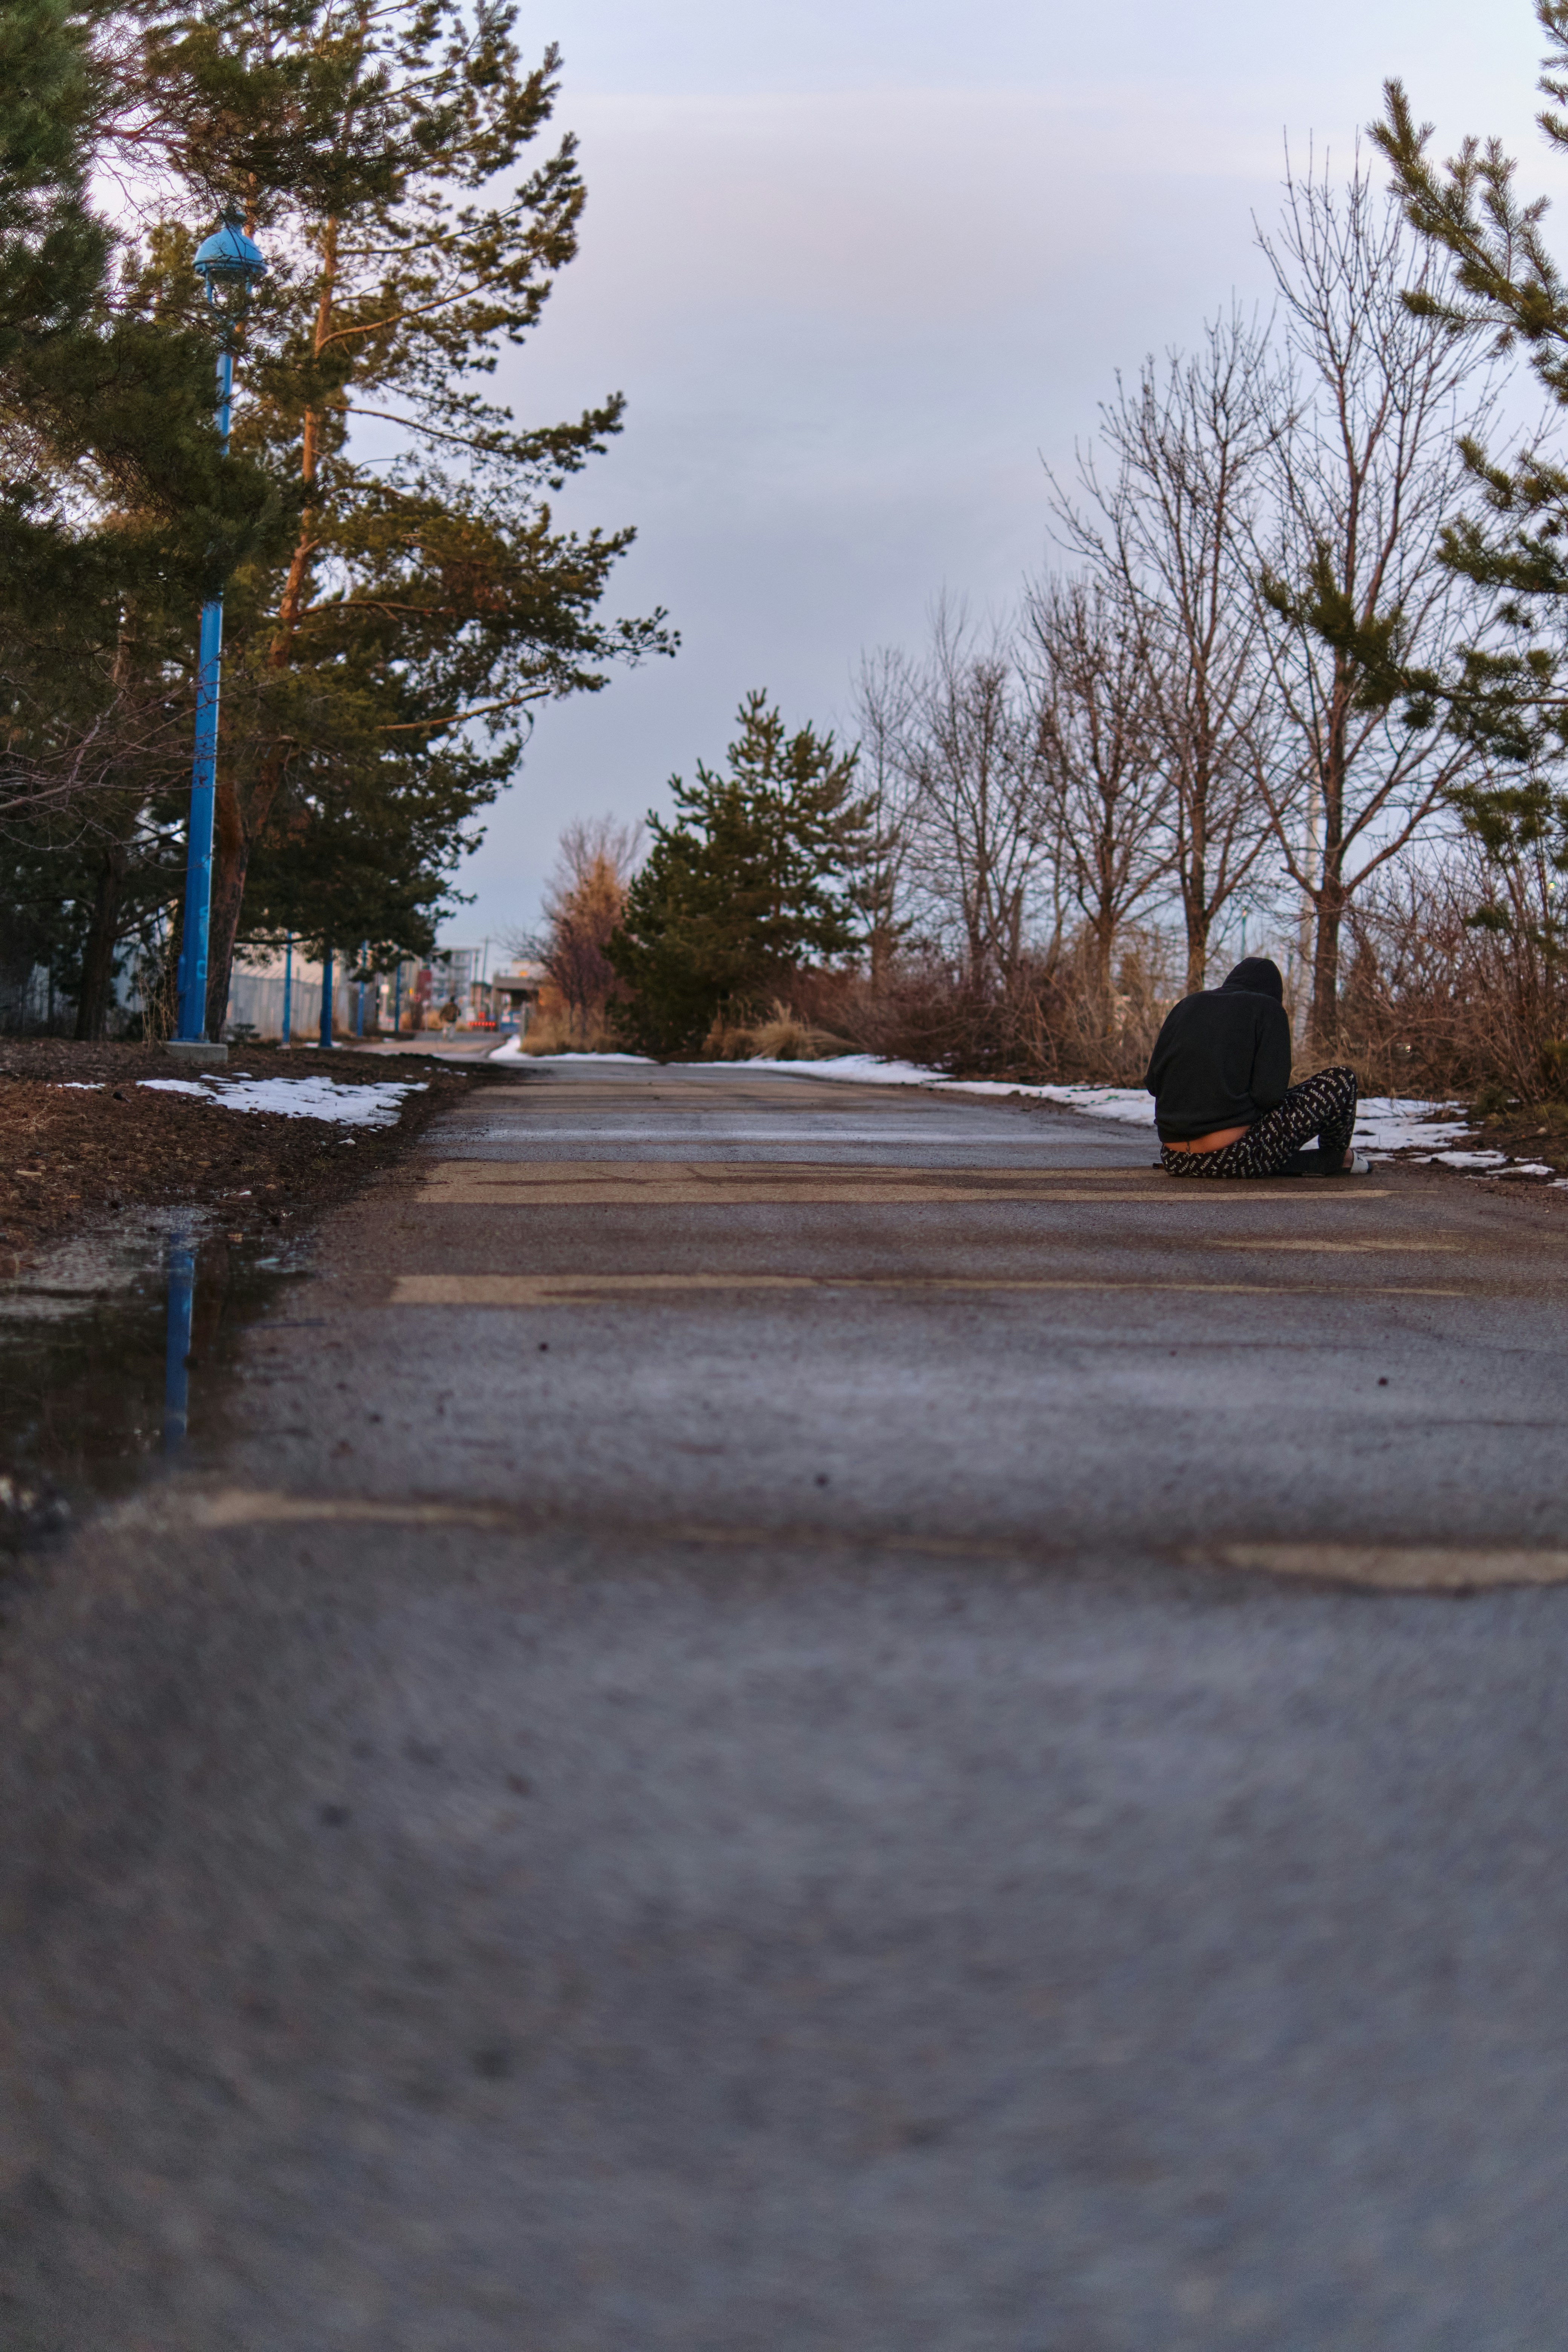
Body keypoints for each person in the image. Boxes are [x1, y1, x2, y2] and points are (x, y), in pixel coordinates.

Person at [1144, 956, 1370, 1179]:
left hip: (1176, 1159)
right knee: (1341, 1080)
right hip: (1234, 1156)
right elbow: (1268, 1095)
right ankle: (1335, 1158)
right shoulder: (1268, 1008)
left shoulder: (1186, 1005)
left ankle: (1287, 1162)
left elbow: (1154, 1084)